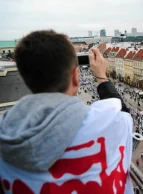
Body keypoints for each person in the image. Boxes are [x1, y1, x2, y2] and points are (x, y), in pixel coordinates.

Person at [0, 31, 133, 193]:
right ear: (76, 77)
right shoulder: (107, 123)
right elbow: (123, 114)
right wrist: (101, 77)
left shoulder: (4, 135)